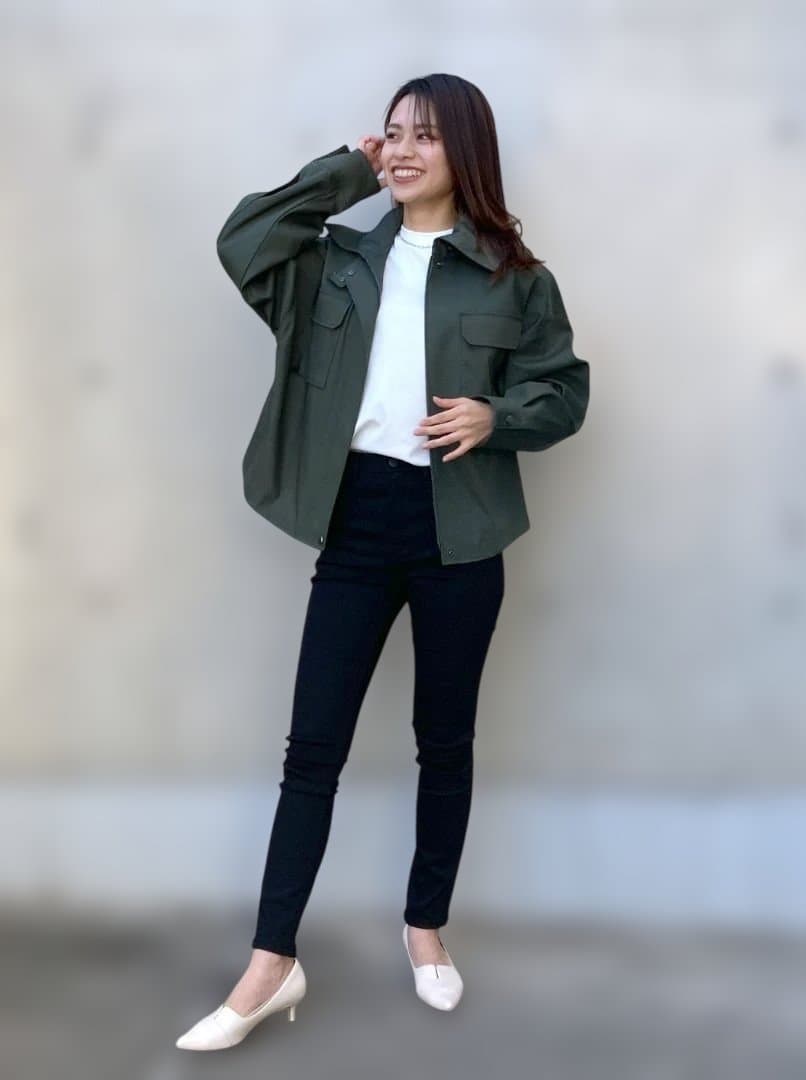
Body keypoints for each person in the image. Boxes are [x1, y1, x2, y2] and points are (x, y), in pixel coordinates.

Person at [176, 72, 589, 1051]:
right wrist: (343, 173)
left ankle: (425, 929)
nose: (401, 149)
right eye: (391, 133)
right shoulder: (332, 262)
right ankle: (270, 965)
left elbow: (564, 392)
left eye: (424, 137)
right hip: (357, 520)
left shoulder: (514, 278)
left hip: (460, 527)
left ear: (466, 152)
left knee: (444, 743)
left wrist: (495, 416)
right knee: (311, 752)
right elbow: (242, 238)